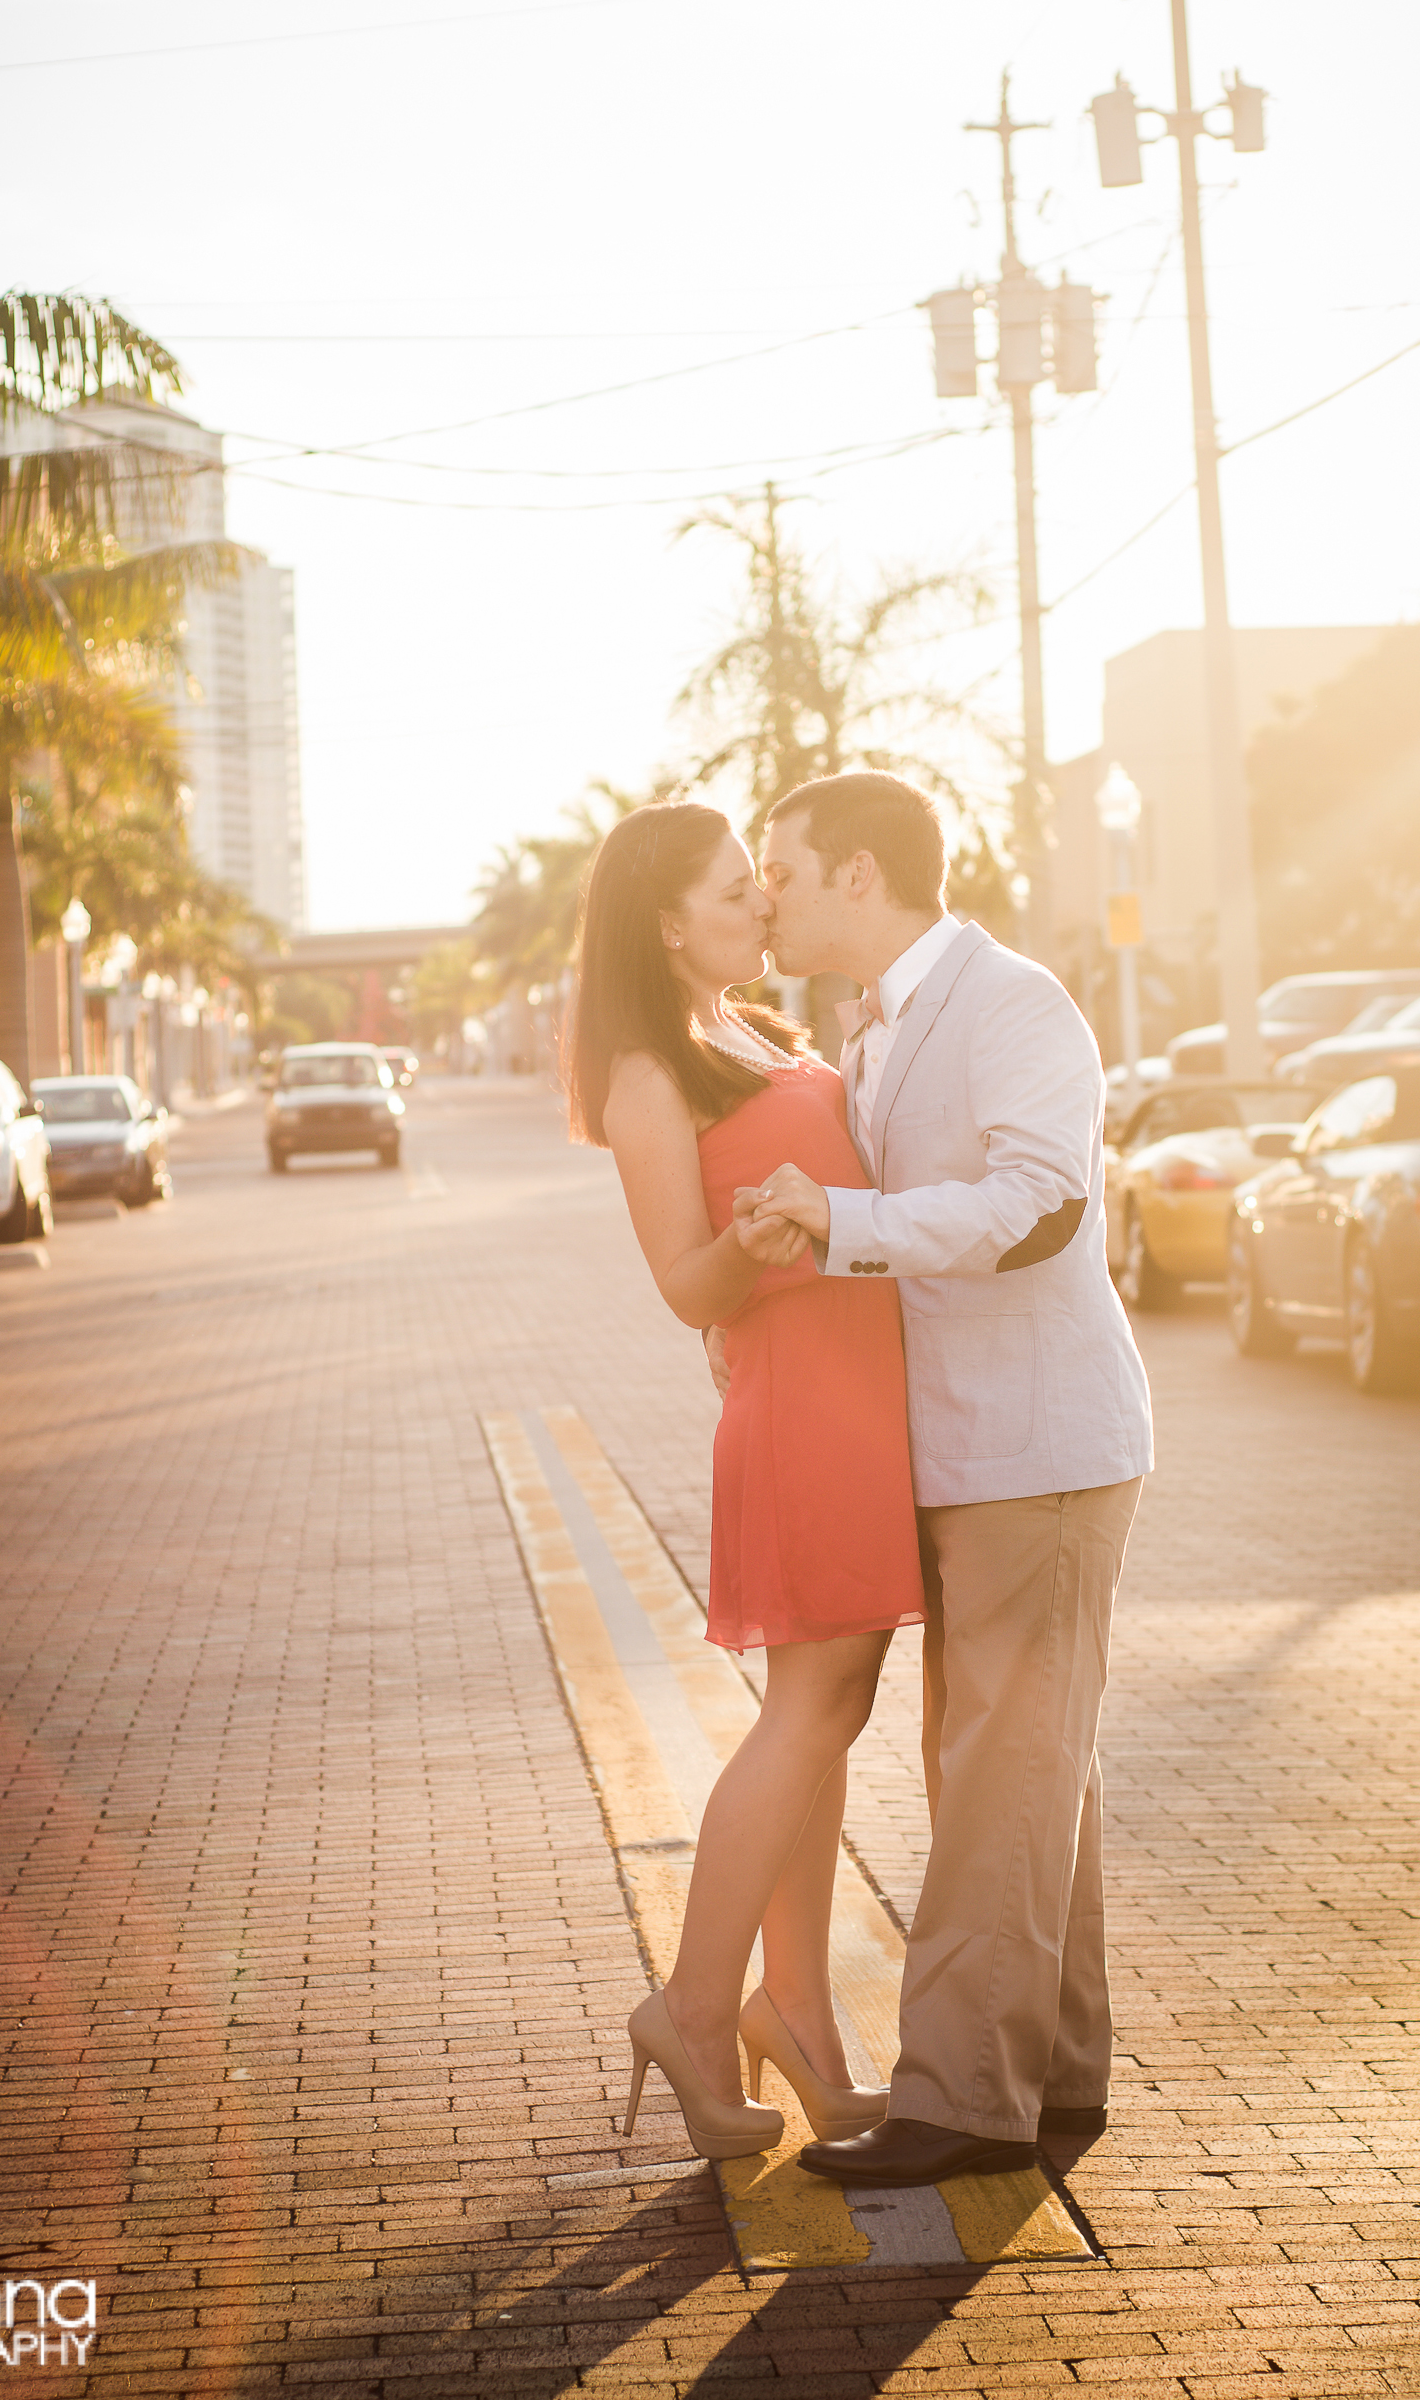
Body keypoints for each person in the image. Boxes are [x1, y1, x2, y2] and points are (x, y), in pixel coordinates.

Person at [736, 769, 1153, 2190]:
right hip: (971, 1455)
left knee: (995, 1770)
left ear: (860, 873)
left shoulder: (1014, 1000)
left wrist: (840, 1222)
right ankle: (1057, 2072)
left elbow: (1042, 1204)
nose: (766, 893)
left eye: (782, 869)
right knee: (1027, 1770)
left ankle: (964, 2100)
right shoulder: (875, 1027)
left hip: (1040, 1451)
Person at [570, 799, 924, 2162]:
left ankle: (801, 2019)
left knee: (827, 1714)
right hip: (801, 1414)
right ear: (670, 922)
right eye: (736, 891)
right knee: (812, 1711)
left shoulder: (758, 1032)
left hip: (859, 1394)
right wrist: (765, 1232)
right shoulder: (651, 1076)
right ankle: (696, 2006)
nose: (760, 907)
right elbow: (682, 1285)